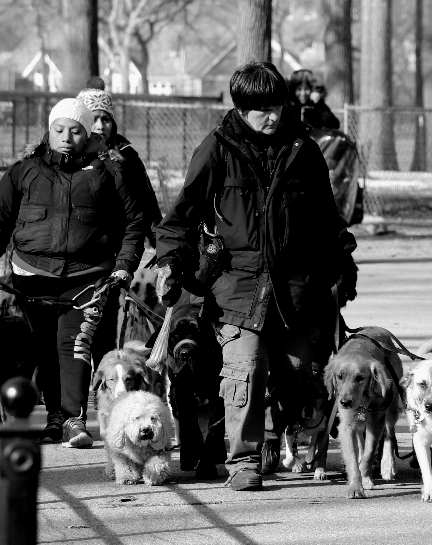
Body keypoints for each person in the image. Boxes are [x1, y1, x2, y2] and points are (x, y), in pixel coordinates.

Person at [153, 61, 358, 491]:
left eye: (278, 106)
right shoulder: (216, 149)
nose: (274, 116)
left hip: (296, 286)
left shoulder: (304, 150)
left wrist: (344, 261)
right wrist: (170, 262)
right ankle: (243, 460)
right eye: (262, 109)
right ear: (241, 108)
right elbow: (180, 217)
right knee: (245, 369)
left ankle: (271, 438)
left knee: (298, 371)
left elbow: (327, 216)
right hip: (236, 284)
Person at [0, 98, 159, 448]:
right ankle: (55, 416)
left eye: (75, 131)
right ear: (48, 131)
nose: (67, 137)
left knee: (74, 344)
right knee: (44, 348)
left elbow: (135, 221)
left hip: (88, 278)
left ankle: (73, 418)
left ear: (87, 134)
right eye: (59, 130)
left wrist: (124, 265)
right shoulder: (25, 170)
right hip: (32, 277)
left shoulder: (109, 172)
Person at [76, 76, 162, 369]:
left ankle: (102, 389)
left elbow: (145, 208)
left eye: (106, 119)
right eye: (93, 119)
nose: (100, 126)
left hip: (111, 256)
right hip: (72, 255)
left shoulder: (126, 158)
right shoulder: (67, 157)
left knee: (102, 326)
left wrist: (162, 247)